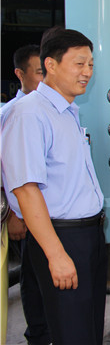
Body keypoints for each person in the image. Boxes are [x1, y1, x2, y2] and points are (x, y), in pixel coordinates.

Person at [1, 26, 106, 344]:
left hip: (88, 235)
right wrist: (56, 254)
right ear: (51, 64)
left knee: (89, 328)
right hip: (61, 236)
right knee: (72, 332)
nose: (87, 72)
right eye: (79, 64)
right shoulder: (29, 114)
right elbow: (26, 189)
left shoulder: (67, 111)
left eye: (90, 64)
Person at [0, 44, 49, 345]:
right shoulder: (11, 113)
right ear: (20, 74)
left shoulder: (51, 109)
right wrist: (12, 215)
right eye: (40, 72)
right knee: (32, 279)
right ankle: (38, 334)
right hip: (23, 214)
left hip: (47, 211)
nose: (46, 78)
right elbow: (5, 170)